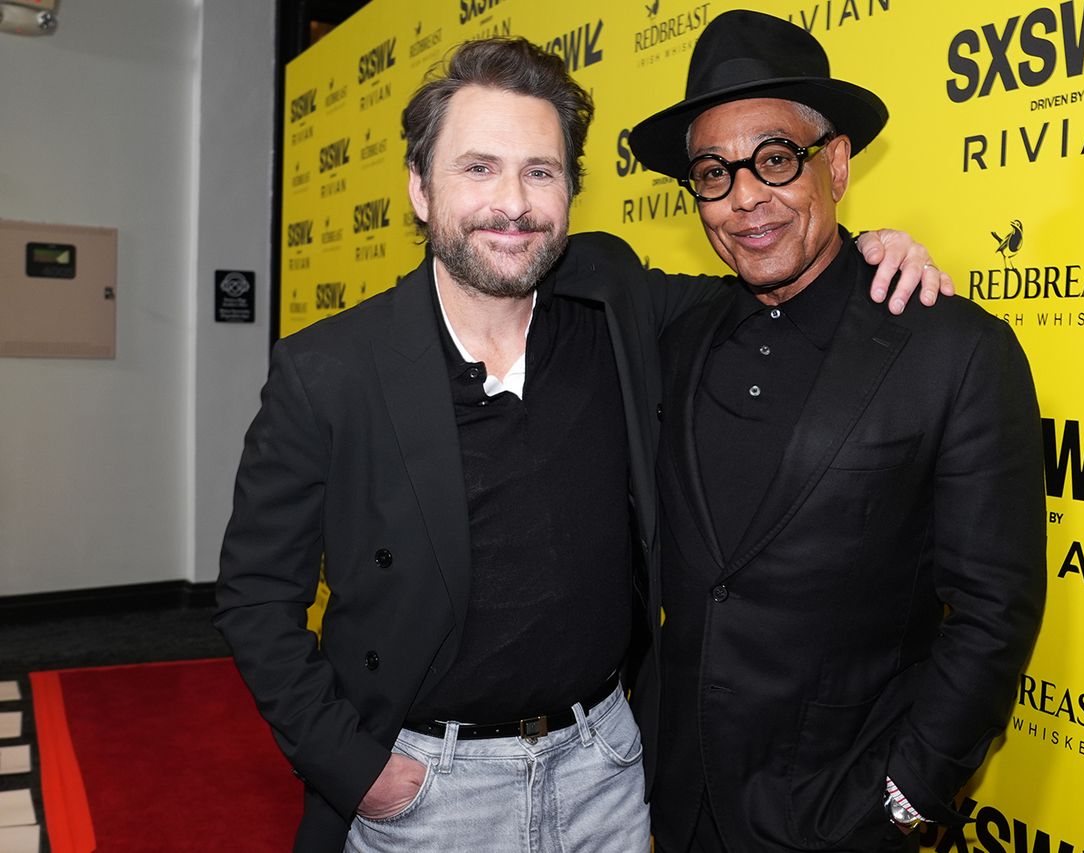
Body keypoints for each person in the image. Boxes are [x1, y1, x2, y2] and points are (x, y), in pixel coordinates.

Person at [215, 36, 945, 853]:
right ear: (421, 187)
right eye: (478, 168)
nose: (513, 203)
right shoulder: (329, 369)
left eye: (541, 171)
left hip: (606, 771)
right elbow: (254, 594)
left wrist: (868, 253)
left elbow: (768, 288)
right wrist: (359, 771)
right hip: (426, 789)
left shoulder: (611, 300)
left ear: (570, 190)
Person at [627, 10, 1047, 853]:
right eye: (713, 173)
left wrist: (907, 799)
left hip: (840, 816)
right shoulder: (675, 334)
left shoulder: (954, 349)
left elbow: (995, 612)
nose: (746, 197)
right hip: (665, 803)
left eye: (776, 159)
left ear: (838, 164)